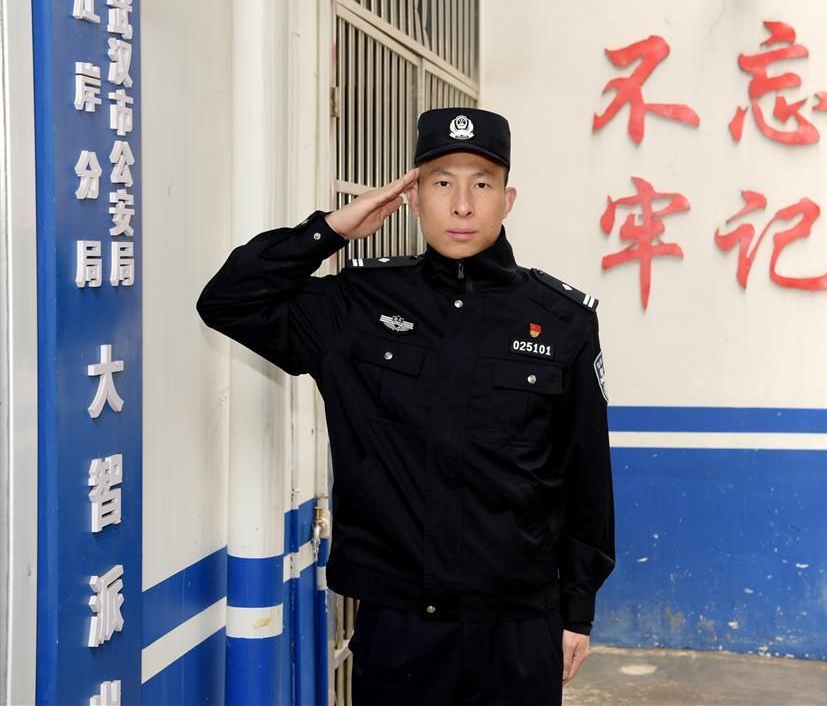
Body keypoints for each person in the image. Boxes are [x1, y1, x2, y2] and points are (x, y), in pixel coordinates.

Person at [196, 107, 616, 705]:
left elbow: (587, 475)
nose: (462, 205)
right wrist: (330, 231)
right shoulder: (358, 304)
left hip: (518, 626)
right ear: (412, 197)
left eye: (482, 184)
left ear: (508, 200)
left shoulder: (561, 320)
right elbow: (227, 301)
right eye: (442, 182)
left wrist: (578, 610)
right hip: (399, 630)